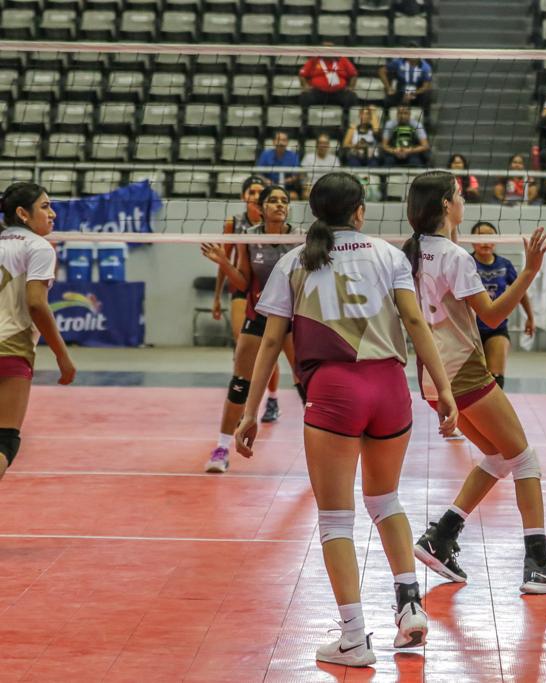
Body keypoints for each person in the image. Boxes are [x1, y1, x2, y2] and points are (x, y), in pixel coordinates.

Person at [234, 172, 459, 667]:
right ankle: (410, 606)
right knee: (385, 500)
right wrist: (442, 388)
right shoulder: (387, 254)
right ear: (359, 211)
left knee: (336, 518)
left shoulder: (294, 261)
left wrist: (250, 412)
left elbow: (270, 342)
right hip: (389, 387)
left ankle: (354, 639)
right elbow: (415, 322)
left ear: (315, 212)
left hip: (335, 392)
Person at [403, 171, 546, 594]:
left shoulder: (411, 253)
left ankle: (441, 536)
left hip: (430, 376)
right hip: (462, 370)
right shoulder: (454, 256)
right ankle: (538, 565)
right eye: (459, 195)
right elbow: (493, 315)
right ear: (446, 205)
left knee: (499, 457)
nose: (464, 201)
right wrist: (530, 271)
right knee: (525, 460)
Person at [200, 184, 301, 473]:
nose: (279, 205)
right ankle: (221, 448)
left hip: (292, 319)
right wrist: (223, 262)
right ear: (261, 207)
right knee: (239, 382)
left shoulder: (300, 238)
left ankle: (322, 446)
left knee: (308, 384)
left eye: (284, 200)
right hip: (259, 315)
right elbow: (243, 283)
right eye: (273, 200)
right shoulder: (249, 237)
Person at [0, 183, 76, 481]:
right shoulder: (38, 247)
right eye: (45, 207)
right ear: (23, 213)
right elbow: (36, 304)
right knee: (4, 441)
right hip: (9, 347)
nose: (52, 213)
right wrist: (62, 355)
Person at [469, 221, 535, 389]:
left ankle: (494, 405)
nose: (485, 242)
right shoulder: (465, 263)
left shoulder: (505, 265)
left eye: (490, 237)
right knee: (471, 383)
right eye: (480, 237)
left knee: (495, 379)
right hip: (468, 330)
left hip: (496, 328)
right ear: (471, 240)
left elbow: (520, 292)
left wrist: (530, 317)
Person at [212, 176, 265, 343]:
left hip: (266, 286)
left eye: (260, 193)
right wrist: (217, 297)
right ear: (243, 196)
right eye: (252, 192)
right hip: (242, 284)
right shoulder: (234, 222)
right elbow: (224, 261)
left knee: (266, 344)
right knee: (241, 339)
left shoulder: (273, 222)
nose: (256, 196)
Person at [256, 132, 302, 199]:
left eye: (284, 140)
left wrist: (283, 182)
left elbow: (296, 176)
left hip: (287, 189)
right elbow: (258, 174)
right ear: (273, 142)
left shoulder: (293, 156)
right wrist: (267, 181)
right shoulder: (265, 154)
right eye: (278, 140)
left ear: (287, 142)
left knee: (294, 196)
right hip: (267, 188)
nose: (281, 143)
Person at [301, 134, 341, 198]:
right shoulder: (308, 157)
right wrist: (306, 187)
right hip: (311, 187)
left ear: (328, 145)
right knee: (306, 194)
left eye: (325, 143)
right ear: (317, 145)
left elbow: (336, 177)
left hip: (330, 188)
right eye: (320, 143)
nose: (323, 145)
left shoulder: (335, 159)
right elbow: (302, 177)